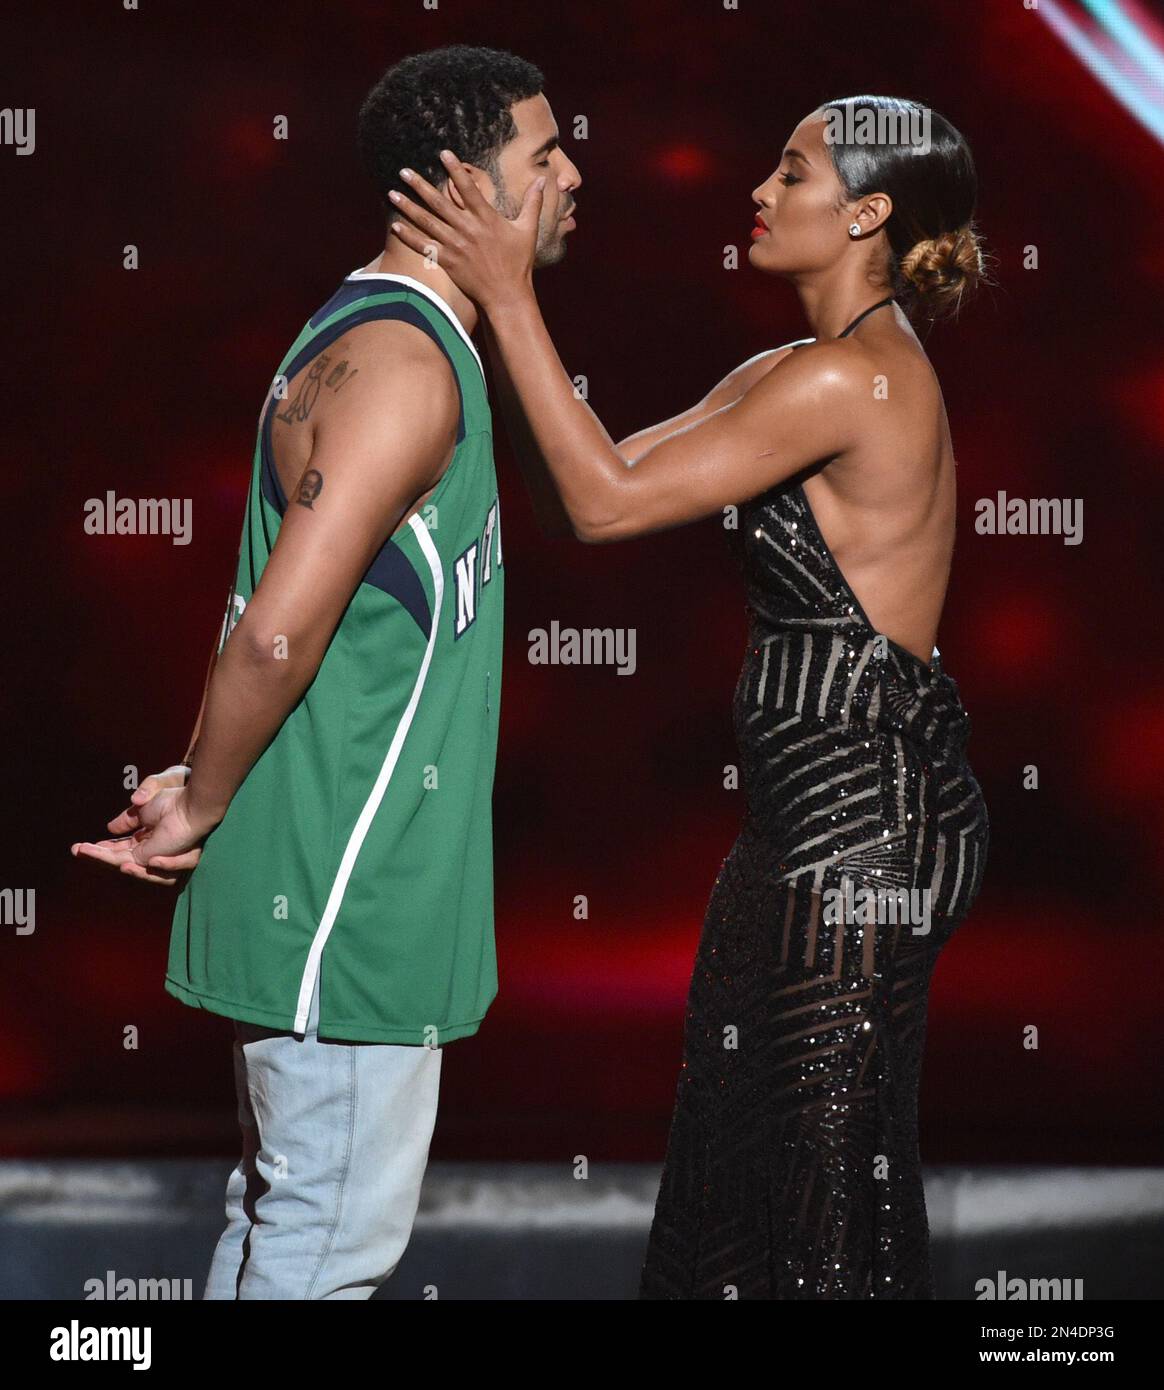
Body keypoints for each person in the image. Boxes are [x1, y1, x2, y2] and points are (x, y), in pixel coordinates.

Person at [389, 92, 990, 1299]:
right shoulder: (795, 369)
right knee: (747, 1172)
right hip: (801, 834)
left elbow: (602, 500)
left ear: (867, 212)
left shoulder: (848, 383)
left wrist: (512, 292)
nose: (758, 194)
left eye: (793, 172)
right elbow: (589, 489)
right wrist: (488, 307)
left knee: (823, 1193)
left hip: (862, 840)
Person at [70, 44, 581, 1300]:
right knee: (323, 1250)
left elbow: (281, 617)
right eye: (546, 155)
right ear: (462, 186)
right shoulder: (405, 369)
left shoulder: (372, 336)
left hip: (324, 864)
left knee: (279, 1220)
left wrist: (207, 769)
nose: (573, 175)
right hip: (344, 892)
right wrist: (201, 795)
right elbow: (274, 634)